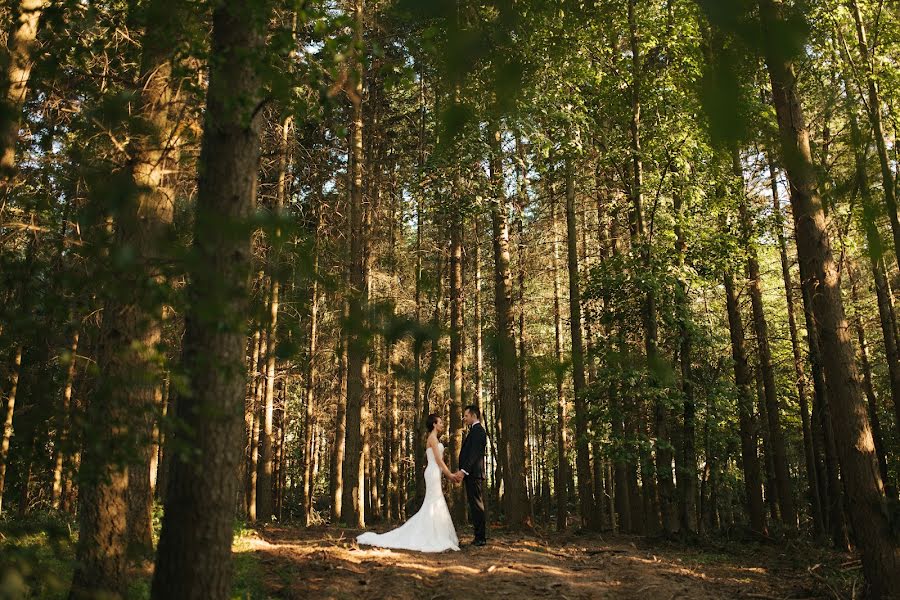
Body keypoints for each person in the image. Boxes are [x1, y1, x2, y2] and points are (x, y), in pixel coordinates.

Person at [356, 414, 461, 552]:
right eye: (440, 422)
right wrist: (450, 475)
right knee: (434, 502)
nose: (442, 424)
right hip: (433, 472)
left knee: (435, 501)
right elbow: (439, 460)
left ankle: (435, 533)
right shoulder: (432, 439)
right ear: (434, 424)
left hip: (435, 472)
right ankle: (432, 535)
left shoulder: (434, 438)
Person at [454, 404, 488, 546]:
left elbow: (474, 454)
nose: (464, 418)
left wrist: (463, 471)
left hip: (474, 474)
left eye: (466, 415)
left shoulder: (478, 431)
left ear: (474, 415)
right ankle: (478, 536)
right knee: (474, 505)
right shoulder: (474, 431)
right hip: (471, 474)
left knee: (477, 505)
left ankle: (480, 538)